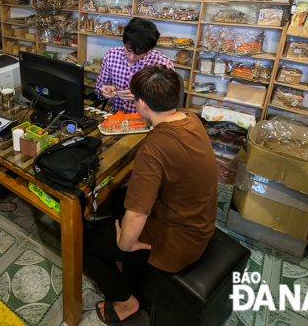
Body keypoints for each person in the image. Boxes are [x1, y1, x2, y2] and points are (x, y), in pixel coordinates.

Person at [84, 66, 218, 325]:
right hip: (199, 224)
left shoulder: (155, 147)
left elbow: (136, 212)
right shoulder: (191, 119)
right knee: (122, 197)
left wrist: (124, 243)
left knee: (86, 240)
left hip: (179, 244)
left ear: (142, 105)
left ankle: (125, 304)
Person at [94, 17, 173, 114]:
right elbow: (99, 87)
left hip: (146, 121)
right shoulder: (112, 55)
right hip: (116, 117)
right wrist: (104, 91)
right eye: (128, 50)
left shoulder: (162, 64)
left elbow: (167, 103)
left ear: (149, 49)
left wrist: (141, 98)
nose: (131, 57)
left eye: (138, 53)